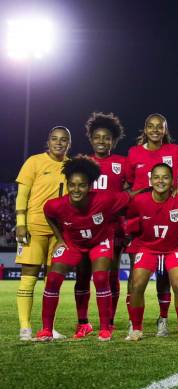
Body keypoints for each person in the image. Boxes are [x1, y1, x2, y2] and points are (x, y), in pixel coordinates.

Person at [38, 156, 130, 341]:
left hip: (100, 242)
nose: (76, 189)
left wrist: (152, 187)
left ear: (90, 187)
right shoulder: (56, 205)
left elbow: (130, 196)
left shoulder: (105, 199)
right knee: (53, 278)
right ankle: (47, 329)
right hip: (73, 244)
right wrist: (60, 238)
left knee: (101, 277)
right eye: (72, 185)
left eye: (81, 185)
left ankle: (105, 328)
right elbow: (48, 213)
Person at [125, 113, 178, 337]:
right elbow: (127, 182)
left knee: (173, 283)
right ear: (145, 129)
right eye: (151, 127)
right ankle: (134, 325)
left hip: (172, 236)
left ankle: (169, 323)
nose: (155, 130)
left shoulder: (174, 151)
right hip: (145, 230)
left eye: (160, 127)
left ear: (165, 130)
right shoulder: (134, 153)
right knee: (136, 283)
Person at [72, 112, 128, 339]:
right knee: (82, 274)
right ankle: (83, 322)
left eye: (107, 138)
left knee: (110, 275)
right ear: (91, 139)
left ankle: (110, 321)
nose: (102, 141)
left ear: (113, 140)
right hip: (84, 229)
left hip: (113, 229)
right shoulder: (82, 163)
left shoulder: (122, 163)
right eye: (97, 137)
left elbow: (133, 190)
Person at [15, 126, 71, 341]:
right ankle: (25, 328)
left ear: (68, 143)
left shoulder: (70, 165)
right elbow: (22, 195)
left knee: (52, 282)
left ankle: (48, 328)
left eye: (63, 140)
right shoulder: (34, 161)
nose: (59, 143)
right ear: (48, 141)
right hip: (34, 228)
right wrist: (21, 222)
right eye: (55, 139)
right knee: (28, 278)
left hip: (59, 233)